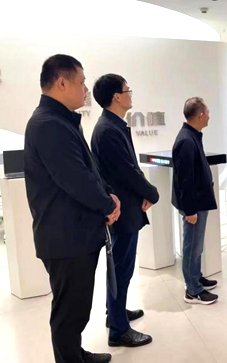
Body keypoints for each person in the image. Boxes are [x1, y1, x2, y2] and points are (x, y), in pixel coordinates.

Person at [24, 54, 120, 363]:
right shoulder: (49, 124)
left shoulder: (61, 120)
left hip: (74, 234)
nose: (85, 89)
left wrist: (107, 194)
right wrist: (108, 204)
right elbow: (75, 179)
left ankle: (76, 354)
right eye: (81, 83)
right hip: (66, 238)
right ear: (62, 83)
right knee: (69, 313)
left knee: (76, 309)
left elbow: (86, 169)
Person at [91, 74, 160, 348]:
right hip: (122, 211)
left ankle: (115, 313)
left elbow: (128, 169)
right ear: (116, 97)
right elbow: (127, 172)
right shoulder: (108, 130)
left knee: (121, 267)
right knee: (121, 269)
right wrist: (151, 192)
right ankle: (119, 330)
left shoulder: (113, 125)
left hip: (126, 207)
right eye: (127, 90)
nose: (131, 94)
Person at [172, 97, 219, 305]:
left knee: (197, 245)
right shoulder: (186, 141)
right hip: (194, 205)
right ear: (200, 115)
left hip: (199, 202)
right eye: (207, 113)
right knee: (192, 246)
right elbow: (184, 180)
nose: (209, 116)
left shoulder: (192, 136)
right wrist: (190, 210)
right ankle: (193, 290)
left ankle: (196, 277)